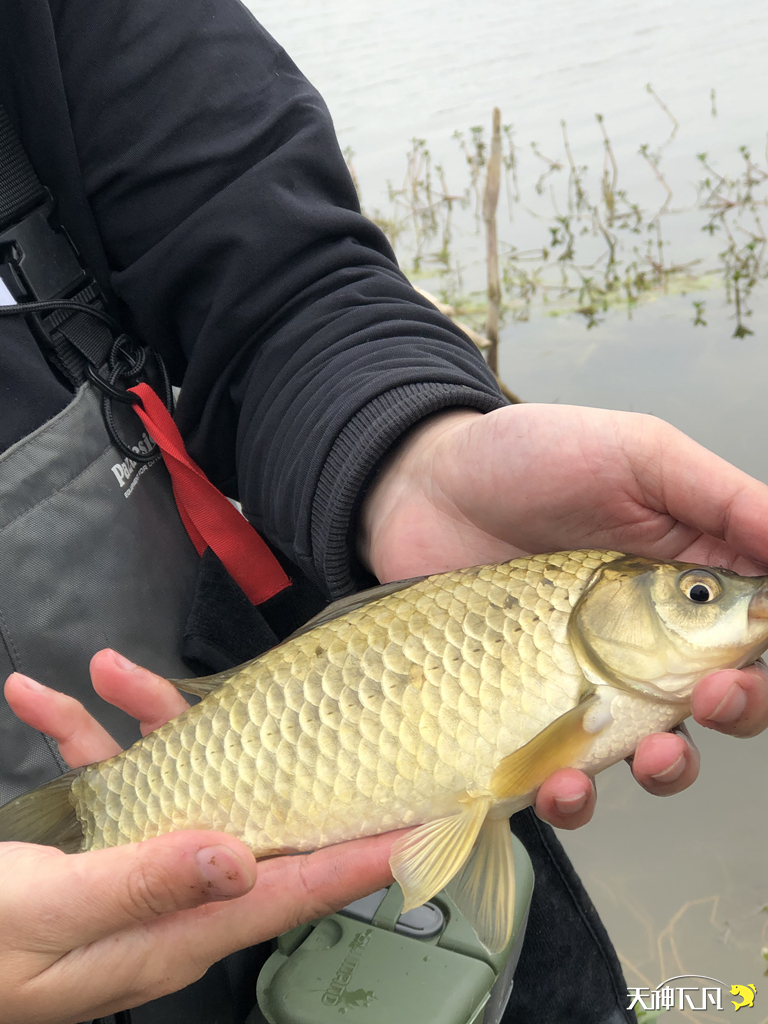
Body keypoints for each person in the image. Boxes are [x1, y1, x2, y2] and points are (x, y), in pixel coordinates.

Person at [1, 2, 767, 1023]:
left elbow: (275, 274)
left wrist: (410, 456)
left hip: (313, 863)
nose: (727, 602)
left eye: (698, 591)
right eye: (701, 592)